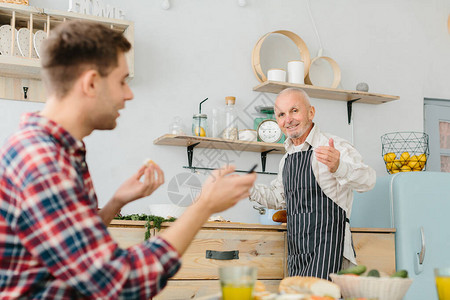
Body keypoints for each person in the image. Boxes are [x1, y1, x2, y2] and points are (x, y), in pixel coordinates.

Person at [0, 20, 256, 299]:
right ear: (91, 83)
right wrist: (204, 205)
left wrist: (117, 202)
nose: (129, 93)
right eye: (121, 81)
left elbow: (76, 248)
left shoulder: (52, 149)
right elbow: (120, 283)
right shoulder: (44, 162)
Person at [250, 88, 375, 280]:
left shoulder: (335, 146)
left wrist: (339, 166)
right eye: (281, 114)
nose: (288, 119)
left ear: (311, 112)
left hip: (330, 250)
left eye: (294, 110)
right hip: (297, 251)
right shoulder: (287, 159)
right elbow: (278, 198)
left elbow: (368, 180)